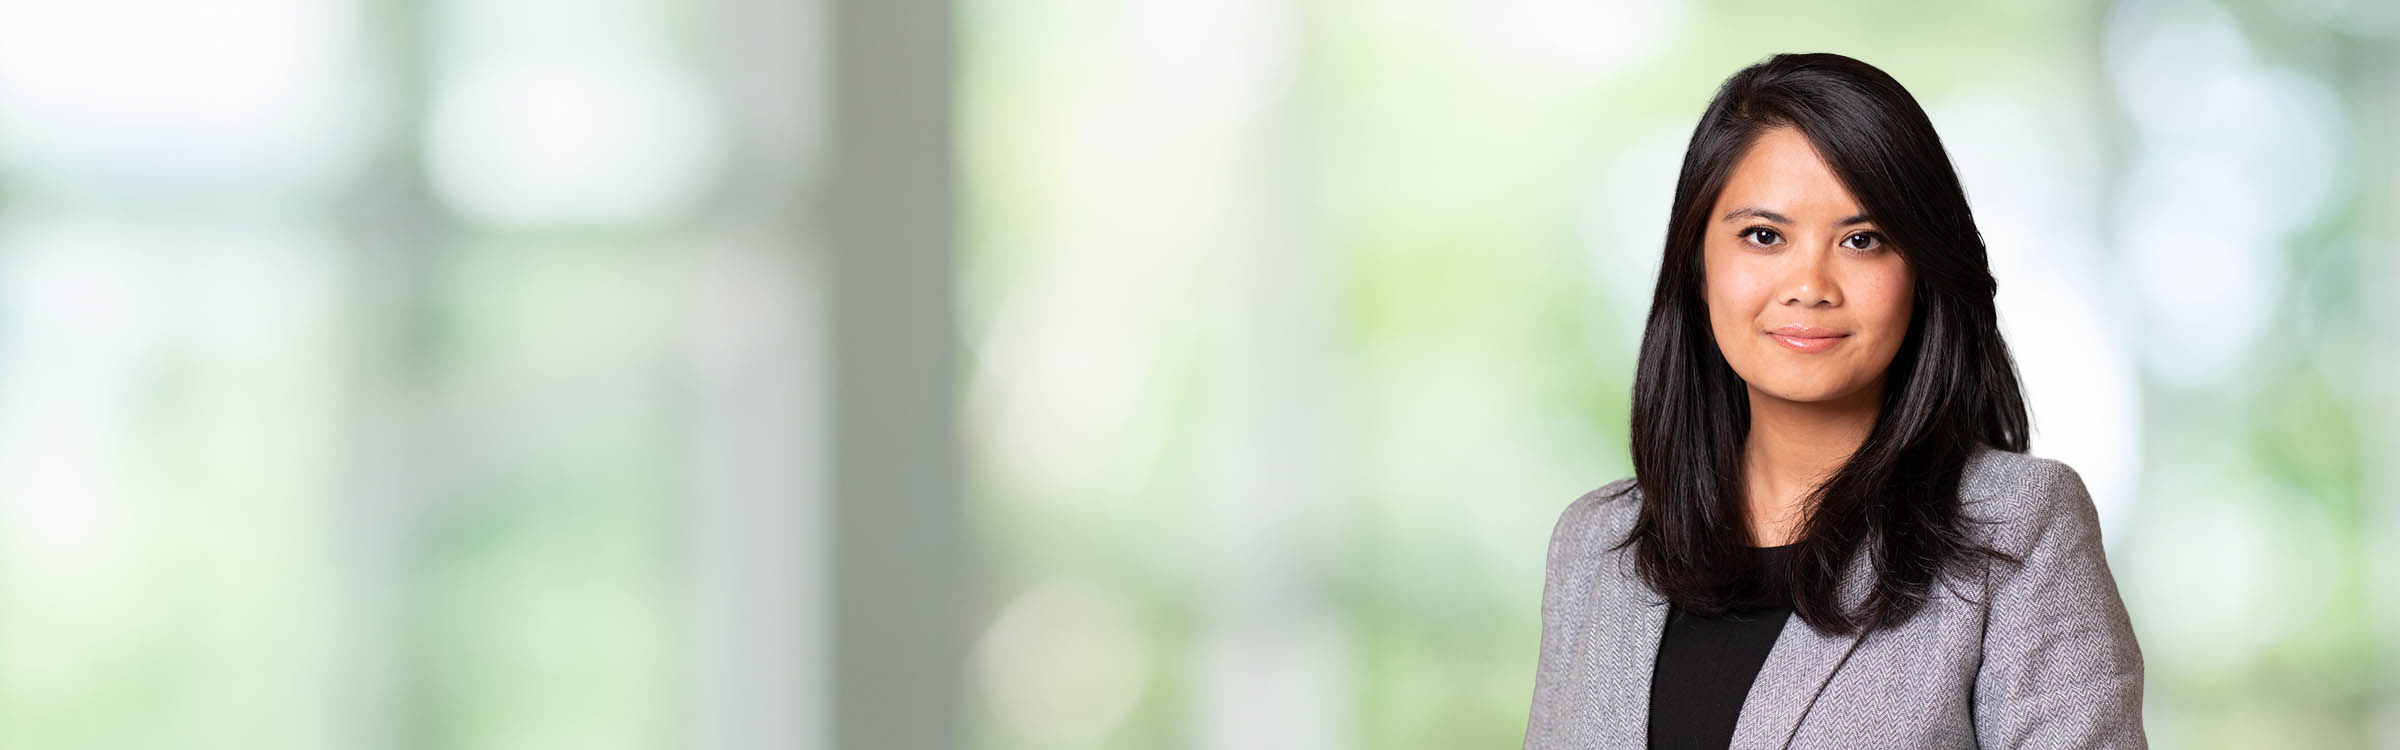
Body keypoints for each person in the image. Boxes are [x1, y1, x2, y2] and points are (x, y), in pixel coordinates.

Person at [1523, 53, 2144, 749]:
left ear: (1921, 272)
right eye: (1764, 236)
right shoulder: (1595, 544)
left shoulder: (2019, 524)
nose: (1810, 286)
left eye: (1862, 240)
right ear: (1698, 265)